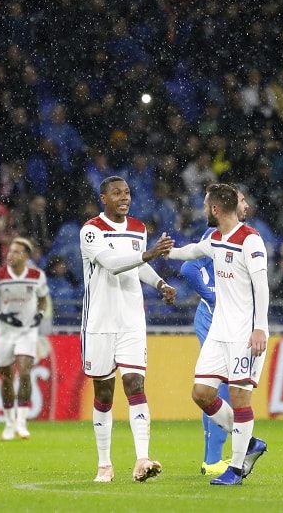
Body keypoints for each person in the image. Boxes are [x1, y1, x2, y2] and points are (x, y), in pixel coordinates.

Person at [167, 183, 268, 486]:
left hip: (244, 333)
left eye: (204, 205)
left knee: (239, 397)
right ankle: (249, 442)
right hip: (218, 332)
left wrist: (260, 326)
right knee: (202, 394)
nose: (202, 210)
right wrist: (164, 252)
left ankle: (236, 469)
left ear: (215, 209)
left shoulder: (250, 240)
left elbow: (261, 286)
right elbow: (191, 252)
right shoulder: (214, 238)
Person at [79, 176, 177, 483]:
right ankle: (104, 464)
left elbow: (137, 265)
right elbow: (111, 263)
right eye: (117, 193)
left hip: (132, 321)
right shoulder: (91, 230)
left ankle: (142, 459)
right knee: (104, 394)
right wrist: (148, 254)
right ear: (103, 198)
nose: (124, 197)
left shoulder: (138, 228)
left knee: (135, 384)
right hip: (99, 322)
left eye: (128, 192)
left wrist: (159, 282)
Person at [178, 185, 249, 476]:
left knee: (220, 390)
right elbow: (188, 270)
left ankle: (221, 454)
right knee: (219, 388)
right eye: (243, 199)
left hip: (230, 320)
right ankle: (214, 459)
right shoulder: (215, 235)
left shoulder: (243, 235)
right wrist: (214, 297)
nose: (246, 204)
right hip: (214, 318)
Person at [0, 237, 49, 440]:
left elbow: (42, 299)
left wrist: (39, 314)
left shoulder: (37, 276)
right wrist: (0, 315)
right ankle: (9, 422)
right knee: (6, 377)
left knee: (25, 372)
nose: (10, 255)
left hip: (27, 331)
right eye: (10, 251)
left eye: (16, 252)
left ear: (26, 256)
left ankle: (21, 422)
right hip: (4, 332)